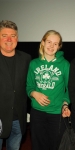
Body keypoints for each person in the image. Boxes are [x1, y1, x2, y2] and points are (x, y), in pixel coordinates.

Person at [26, 30, 71, 150]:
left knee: (56, 146)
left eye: (55, 44)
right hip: (37, 113)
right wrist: (34, 93)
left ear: (59, 46)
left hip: (57, 114)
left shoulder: (65, 64)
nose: (51, 46)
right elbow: (29, 86)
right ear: (43, 42)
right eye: (49, 42)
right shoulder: (33, 63)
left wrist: (65, 104)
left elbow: (70, 89)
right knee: (38, 145)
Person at [0, 20, 31, 150]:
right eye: (4, 35)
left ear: (17, 39)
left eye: (12, 36)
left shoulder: (26, 58)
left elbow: (30, 85)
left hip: (18, 119)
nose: (9, 39)